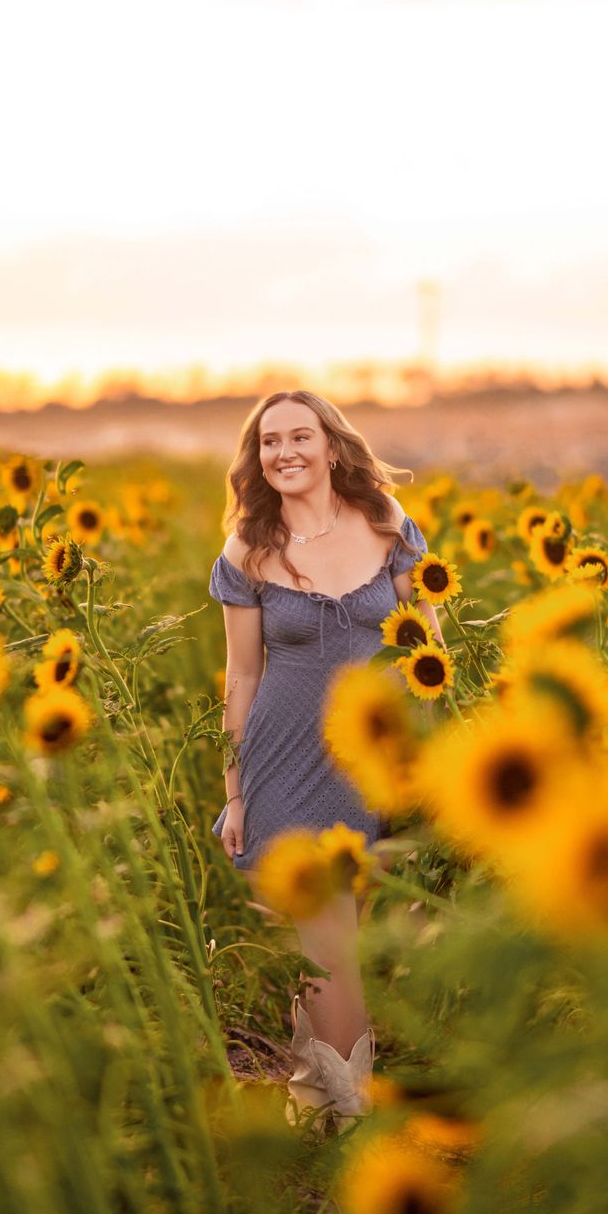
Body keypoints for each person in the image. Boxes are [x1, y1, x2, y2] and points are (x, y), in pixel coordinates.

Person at [206, 389, 443, 1127]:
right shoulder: (247, 551)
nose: (285, 451)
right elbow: (242, 678)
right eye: (270, 441)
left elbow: (427, 650)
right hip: (281, 762)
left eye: (299, 436)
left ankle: (313, 1102)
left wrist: (416, 753)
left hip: (364, 760)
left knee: (333, 938)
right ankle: (349, 1114)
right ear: (257, 459)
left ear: (331, 445)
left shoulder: (389, 527)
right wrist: (236, 794)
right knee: (326, 932)